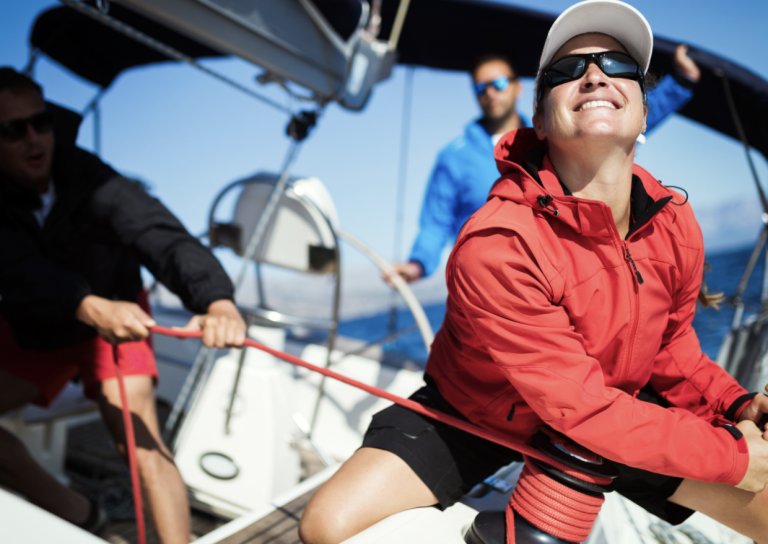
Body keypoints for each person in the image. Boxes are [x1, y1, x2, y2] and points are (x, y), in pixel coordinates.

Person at [300, 2, 768, 543]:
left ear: (643, 112)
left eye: (617, 67)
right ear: (540, 121)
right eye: (567, 72)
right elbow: (580, 405)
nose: (594, 75)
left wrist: (734, 403)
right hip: (481, 409)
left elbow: (669, 349)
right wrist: (729, 453)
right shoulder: (495, 242)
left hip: (609, 405)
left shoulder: (675, 223)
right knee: (328, 528)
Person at [0, 67, 246, 544]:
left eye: (41, 122)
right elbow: (14, 270)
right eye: (12, 130)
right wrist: (86, 305)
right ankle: (75, 510)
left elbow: (160, 235)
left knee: (142, 445)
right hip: (39, 326)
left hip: (121, 317)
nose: (34, 138)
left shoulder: (91, 177)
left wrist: (216, 299)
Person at [387, 44, 700, 285]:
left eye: (497, 82)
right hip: (487, 284)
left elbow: (616, 117)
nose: (490, 93)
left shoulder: (553, 134)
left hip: (562, 277)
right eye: (480, 88)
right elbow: (435, 223)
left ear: (516, 86)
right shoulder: (453, 158)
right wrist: (416, 265)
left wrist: (682, 82)